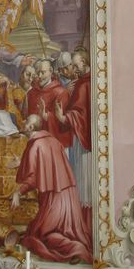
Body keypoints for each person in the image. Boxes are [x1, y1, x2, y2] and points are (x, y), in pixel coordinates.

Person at [11, 115, 92, 264]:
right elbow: (45, 166)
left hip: (55, 200)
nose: (22, 122)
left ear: (30, 128)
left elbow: (34, 178)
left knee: (43, 235)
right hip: (69, 197)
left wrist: (18, 193)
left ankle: (76, 249)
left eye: (26, 121)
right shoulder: (53, 141)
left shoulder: (35, 146)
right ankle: (74, 244)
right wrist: (21, 163)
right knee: (39, 231)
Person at [54, 49, 92, 230]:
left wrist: (63, 117)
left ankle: (84, 224)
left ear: (84, 62)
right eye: (72, 67)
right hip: (77, 138)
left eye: (75, 66)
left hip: (83, 141)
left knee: (84, 181)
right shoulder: (80, 82)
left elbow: (80, 113)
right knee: (77, 179)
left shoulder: (85, 83)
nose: (74, 70)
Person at [26, 59, 72, 149]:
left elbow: (65, 124)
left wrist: (46, 116)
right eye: (38, 73)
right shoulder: (31, 93)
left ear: (51, 71)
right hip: (34, 143)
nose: (40, 76)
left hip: (54, 145)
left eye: (43, 72)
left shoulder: (61, 93)